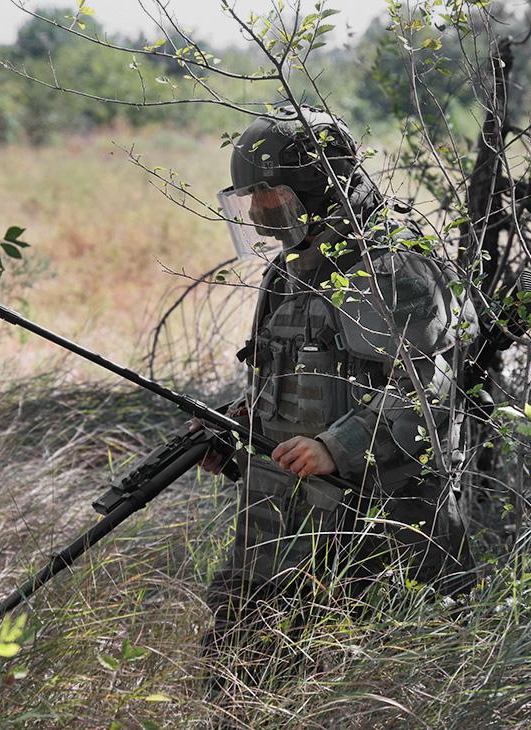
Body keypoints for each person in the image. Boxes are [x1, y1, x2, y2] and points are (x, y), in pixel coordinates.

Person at [202, 105, 478, 687]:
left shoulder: (390, 266)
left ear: (316, 187)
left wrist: (337, 445)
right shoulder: (292, 268)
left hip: (380, 524)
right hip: (285, 517)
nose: (255, 212)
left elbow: (429, 393)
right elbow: (288, 383)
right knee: (236, 669)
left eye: (270, 195)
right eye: (250, 198)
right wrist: (237, 434)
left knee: (383, 688)